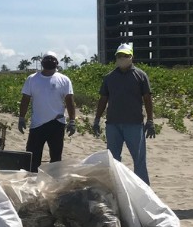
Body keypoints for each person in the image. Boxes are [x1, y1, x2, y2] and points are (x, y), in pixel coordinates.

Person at [91, 43, 156, 185]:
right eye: (120, 56)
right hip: (113, 124)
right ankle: (115, 187)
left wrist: (150, 120)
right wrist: (96, 119)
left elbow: (147, 99)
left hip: (134, 124)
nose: (122, 58)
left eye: (125, 56)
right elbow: (103, 99)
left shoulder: (140, 76)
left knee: (139, 160)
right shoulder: (109, 77)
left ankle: (143, 189)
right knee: (113, 160)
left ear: (131, 57)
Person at [17, 51, 76, 172]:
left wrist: (72, 121)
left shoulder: (64, 80)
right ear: (42, 62)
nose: (50, 61)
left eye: (52, 59)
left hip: (57, 123)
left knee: (55, 157)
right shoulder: (32, 79)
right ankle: (32, 179)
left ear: (57, 63)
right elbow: (25, 100)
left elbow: (70, 101)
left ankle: (54, 182)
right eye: (47, 58)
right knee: (33, 156)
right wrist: (21, 118)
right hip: (37, 124)